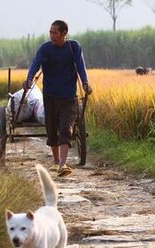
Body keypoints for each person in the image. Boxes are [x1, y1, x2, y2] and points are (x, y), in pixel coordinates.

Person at [23, 19, 92, 177]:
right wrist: (29, 79)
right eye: (50, 32)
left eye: (55, 32)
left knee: (65, 129)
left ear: (64, 34)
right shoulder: (45, 49)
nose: (52, 35)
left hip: (68, 96)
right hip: (50, 95)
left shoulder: (73, 47)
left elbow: (81, 66)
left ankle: (63, 164)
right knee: (51, 128)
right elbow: (35, 64)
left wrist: (86, 83)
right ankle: (55, 161)